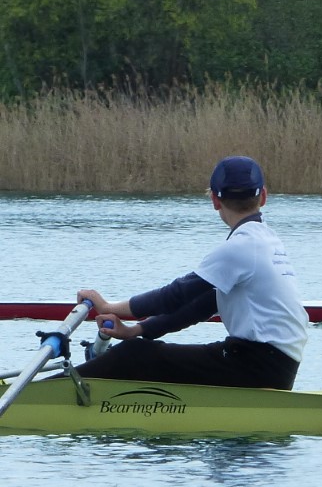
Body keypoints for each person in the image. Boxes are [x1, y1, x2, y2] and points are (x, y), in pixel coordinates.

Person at [74, 156, 310, 389]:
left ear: (215, 200)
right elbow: (202, 305)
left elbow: (175, 295)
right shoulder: (268, 240)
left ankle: (54, 392)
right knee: (139, 350)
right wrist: (137, 330)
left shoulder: (241, 246)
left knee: (134, 355)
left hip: (257, 364)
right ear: (264, 197)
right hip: (276, 367)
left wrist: (108, 307)